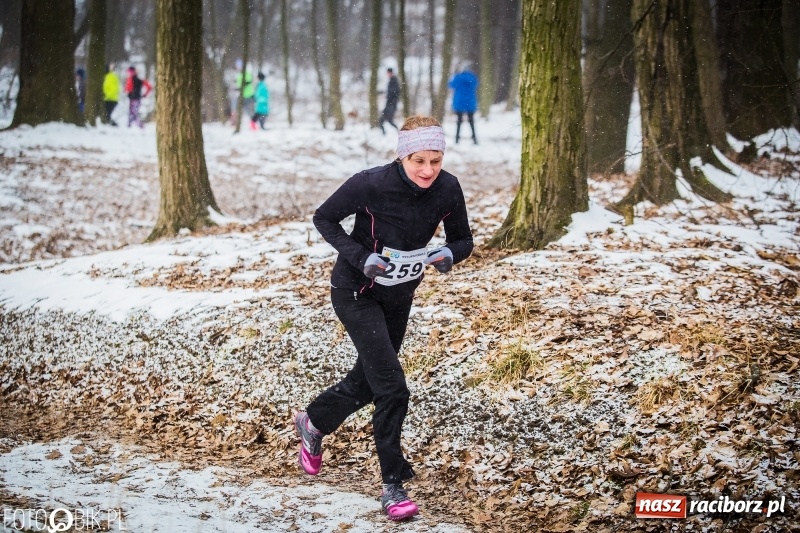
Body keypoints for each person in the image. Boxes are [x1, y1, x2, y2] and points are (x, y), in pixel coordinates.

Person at [294, 116, 473, 522]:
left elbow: (463, 239)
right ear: (402, 156)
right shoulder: (370, 183)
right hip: (355, 292)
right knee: (393, 387)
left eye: (436, 160)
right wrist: (362, 257)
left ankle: (314, 421)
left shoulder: (448, 187)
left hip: (398, 296)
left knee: (369, 380)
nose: (428, 170)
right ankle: (393, 485)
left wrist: (450, 254)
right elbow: (324, 218)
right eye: (418, 160)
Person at [448, 63, 479, 144]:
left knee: (459, 122)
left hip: (459, 102)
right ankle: (474, 139)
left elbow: (450, 85)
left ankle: (457, 139)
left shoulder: (458, 77)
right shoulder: (473, 77)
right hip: (470, 102)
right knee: (471, 121)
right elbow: (476, 85)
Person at [379, 68, 400, 134]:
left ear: (391, 73)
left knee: (389, 120)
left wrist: (392, 101)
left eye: (389, 73)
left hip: (392, 104)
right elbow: (389, 92)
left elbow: (395, 92)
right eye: (387, 73)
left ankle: (399, 131)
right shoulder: (391, 81)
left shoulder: (394, 81)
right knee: (382, 120)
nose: (388, 74)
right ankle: (383, 134)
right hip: (388, 104)